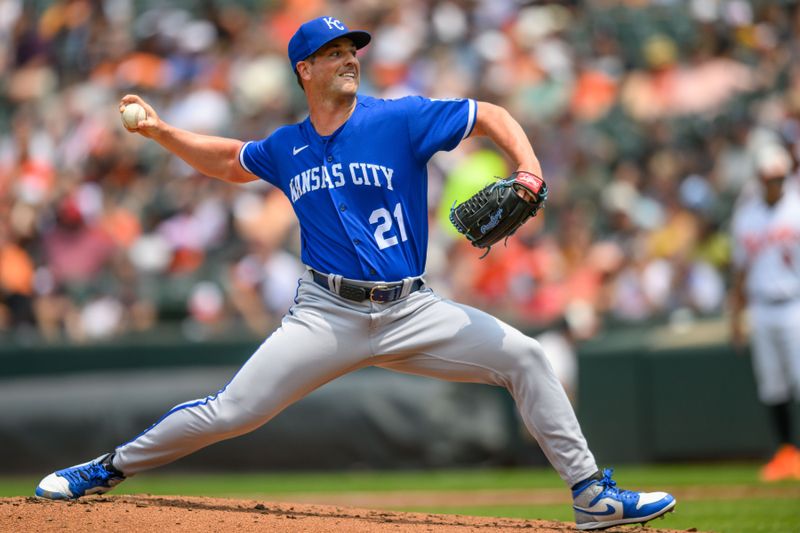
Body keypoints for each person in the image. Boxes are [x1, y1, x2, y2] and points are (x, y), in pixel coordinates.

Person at [35, 16, 676, 530]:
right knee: (234, 411)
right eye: (334, 51)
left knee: (529, 357)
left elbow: (490, 115)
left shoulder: (397, 118)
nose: (350, 59)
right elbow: (231, 160)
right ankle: (105, 468)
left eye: (353, 49)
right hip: (326, 314)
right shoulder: (287, 146)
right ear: (304, 69)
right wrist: (162, 131)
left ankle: (592, 496)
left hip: (412, 310)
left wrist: (529, 169)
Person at [731, 142, 800, 482]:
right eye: (768, 177)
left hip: (794, 304)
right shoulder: (747, 215)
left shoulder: (797, 208)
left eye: (779, 177)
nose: (774, 183)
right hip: (762, 307)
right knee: (773, 386)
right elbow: (740, 271)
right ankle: (787, 453)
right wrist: (736, 317)